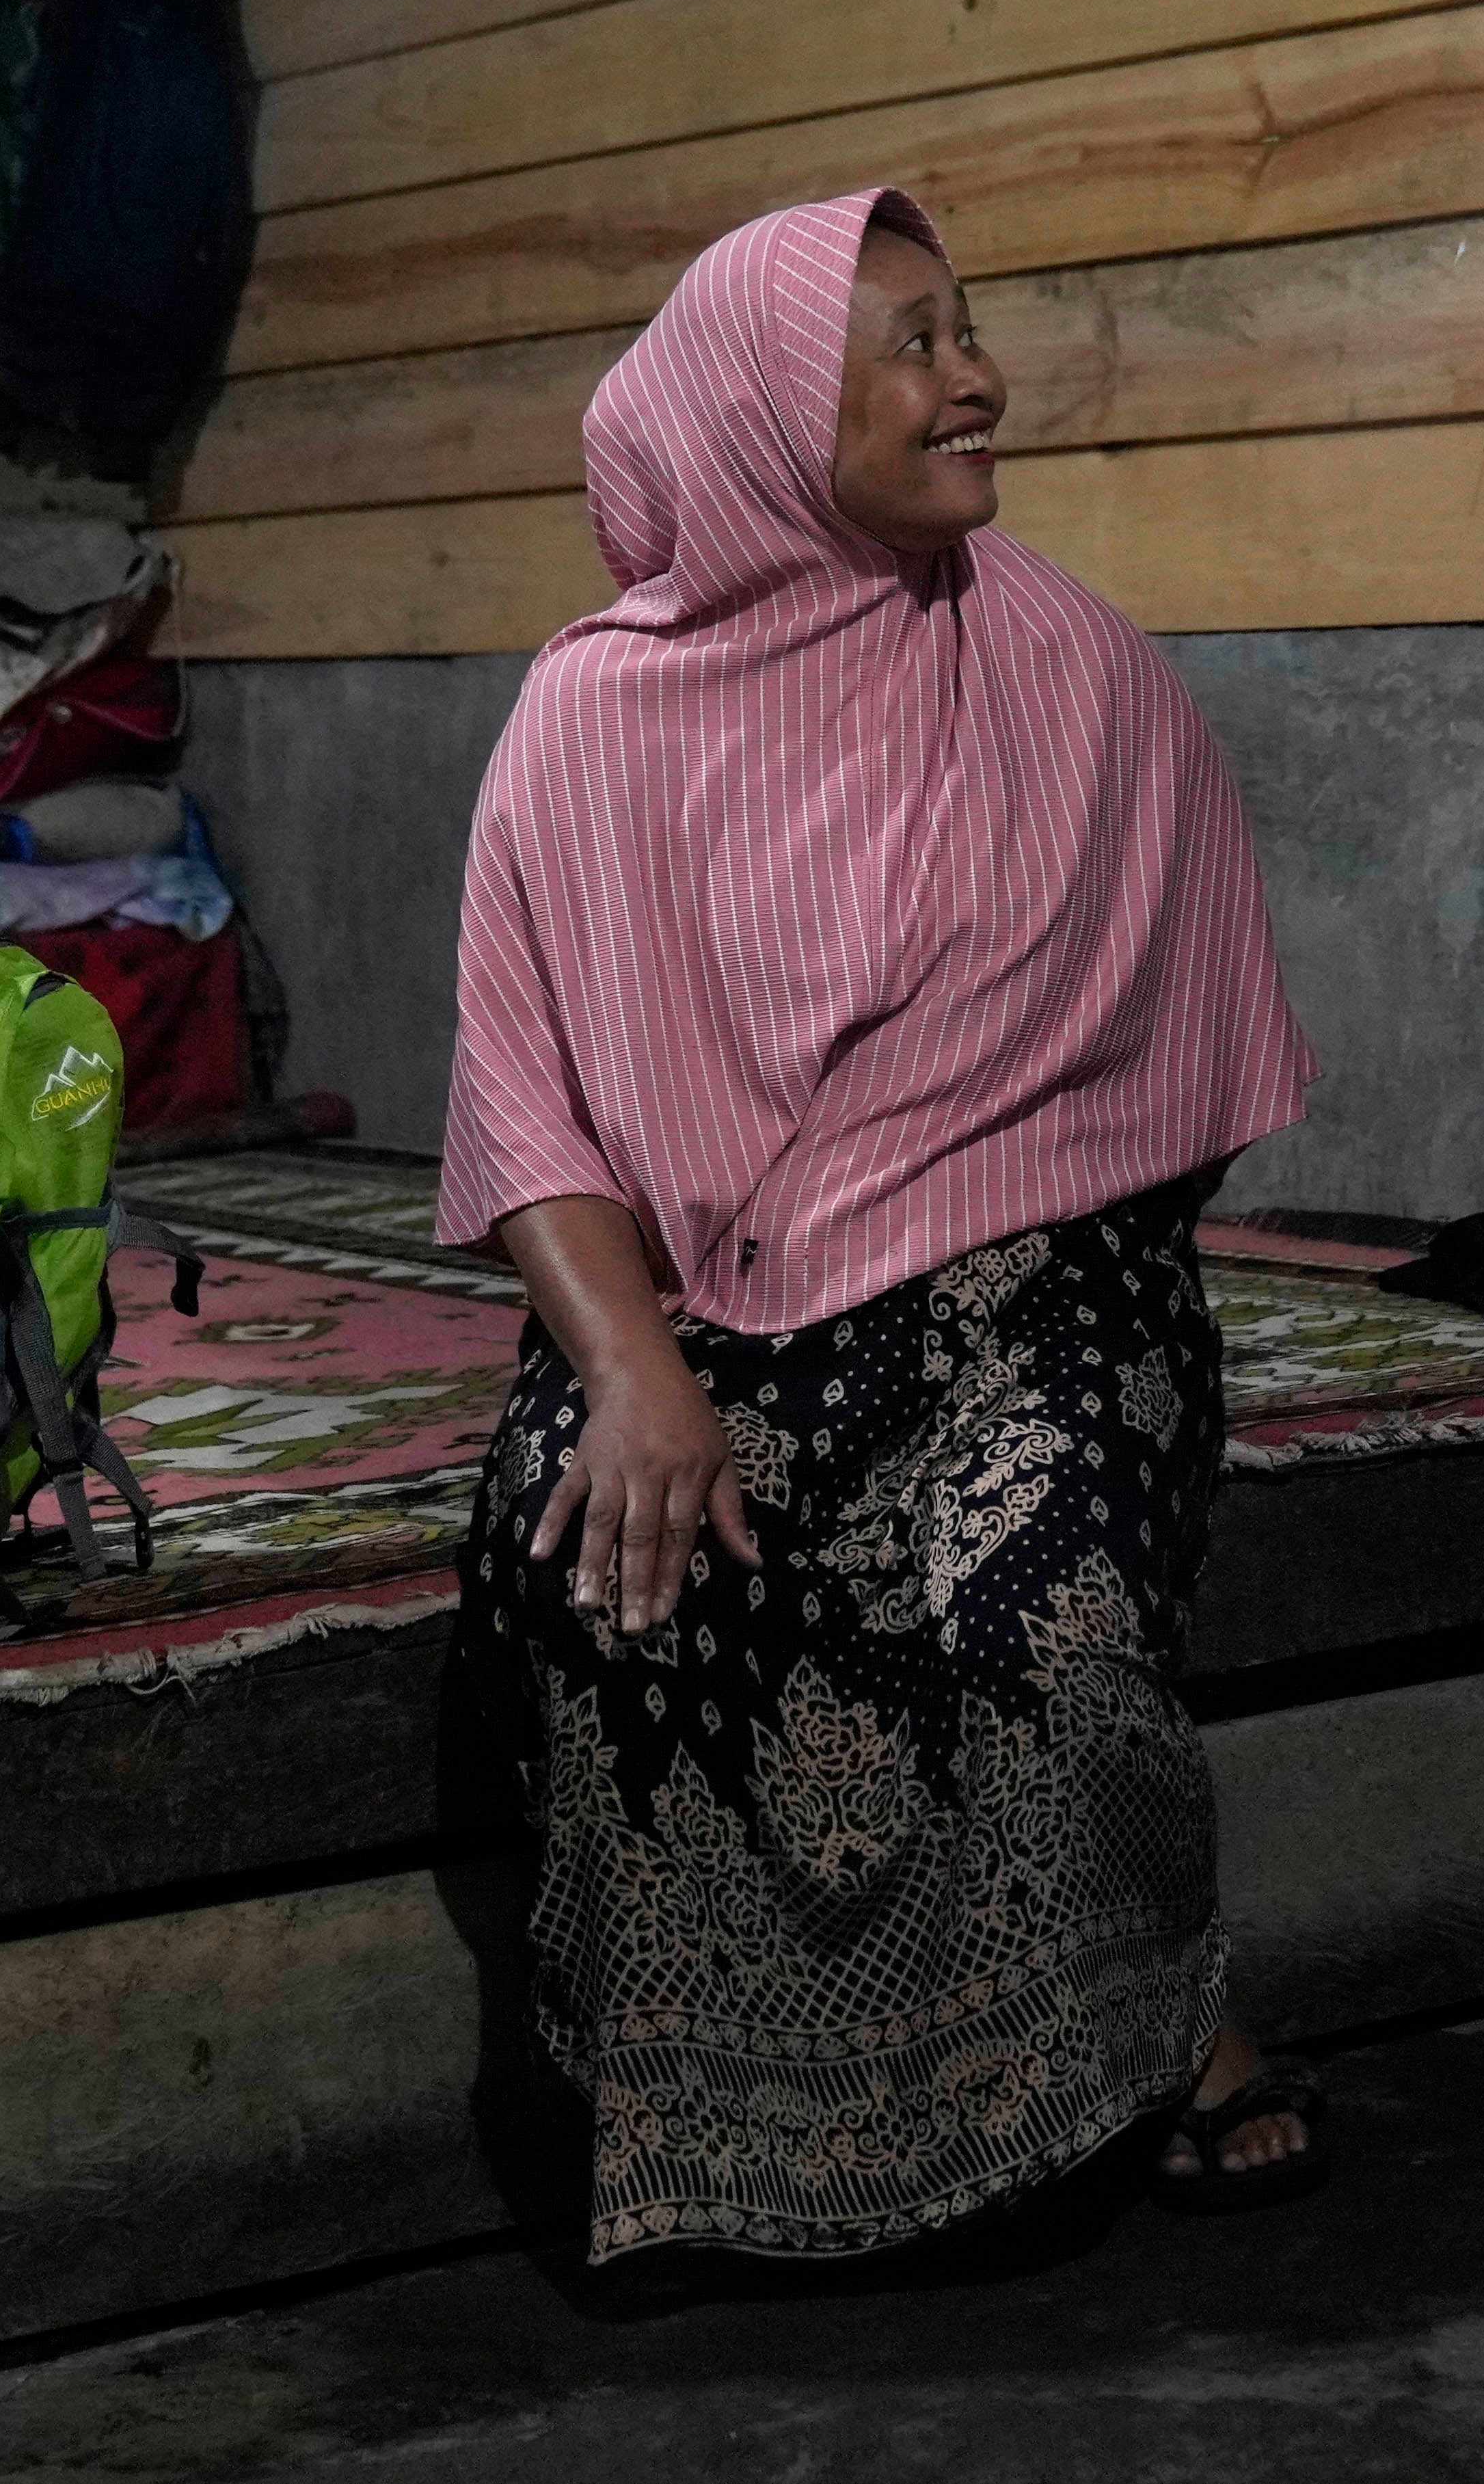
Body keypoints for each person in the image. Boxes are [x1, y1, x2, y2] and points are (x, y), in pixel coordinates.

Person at [441, 188, 1326, 2269]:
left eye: (967, 330)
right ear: (765, 417)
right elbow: (519, 1099)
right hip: (692, 1309)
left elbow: (1161, 1095)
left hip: (1033, 1271)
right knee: (605, 1564)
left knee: (1035, 1599)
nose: (977, 380)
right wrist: (643, 1371)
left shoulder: (1059, 660)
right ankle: (713, 2142)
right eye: (916, 346)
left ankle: (1159, 2022)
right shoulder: (589, 717)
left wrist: (968, 1254)